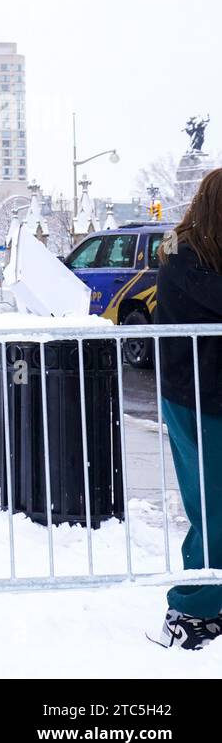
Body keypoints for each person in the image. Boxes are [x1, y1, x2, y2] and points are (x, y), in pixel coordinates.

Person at [151, 166, 222, 650]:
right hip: (199, 397)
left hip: (201, 393)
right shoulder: (188, 258)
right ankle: (192, 605)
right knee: (213, 505)